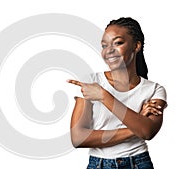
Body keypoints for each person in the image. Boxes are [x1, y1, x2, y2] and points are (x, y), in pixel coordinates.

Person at [67, 17, 167, 169]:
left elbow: (147, 132)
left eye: (118, 42)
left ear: (136, 45)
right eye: (104, 45)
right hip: (99, 164)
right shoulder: (91, 82)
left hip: (138, 163)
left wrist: (103, 96)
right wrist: (137, 124)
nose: (109, 50)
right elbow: (78, 138)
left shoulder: (154, 90)